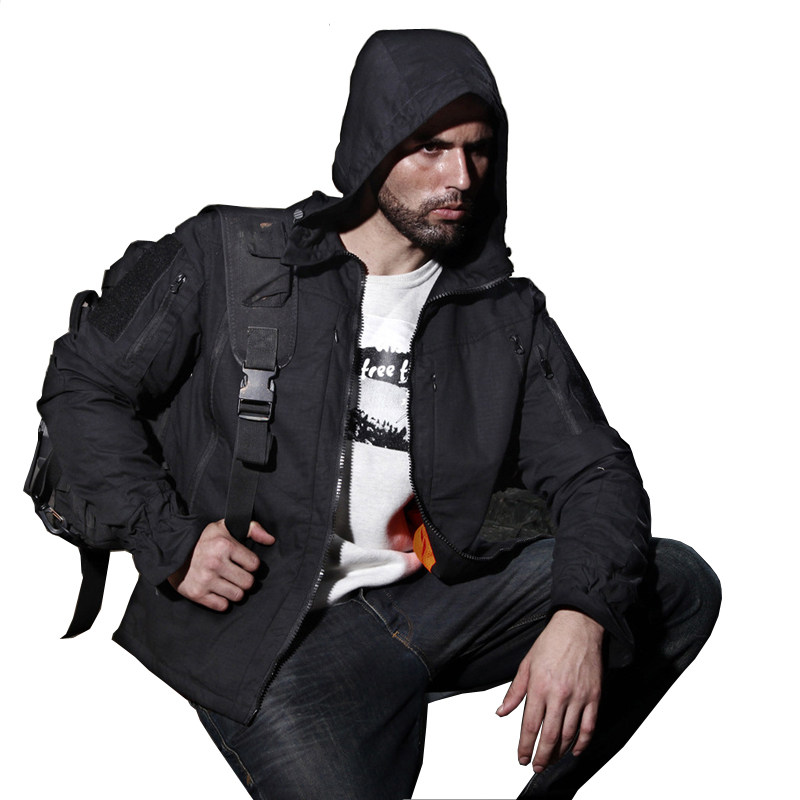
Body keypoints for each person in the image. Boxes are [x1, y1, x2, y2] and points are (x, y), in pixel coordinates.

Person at [38, 29, 720, 799]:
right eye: (432, 148)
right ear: (373, 145)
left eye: (479, 150)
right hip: (272, 633)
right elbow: (83, 385)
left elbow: (593, 470)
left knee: (674, 584)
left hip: (435, 599)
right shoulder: (231, 258)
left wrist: (581, 616)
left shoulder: (501, 313)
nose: (461, 176)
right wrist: (171, 539)